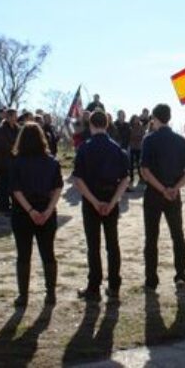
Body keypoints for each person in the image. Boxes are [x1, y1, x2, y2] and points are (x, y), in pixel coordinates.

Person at [72, 110, 130, 301]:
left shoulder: (84, 148)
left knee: (93, 245)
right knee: (112, 245)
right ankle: (114, 286)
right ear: (106, 124)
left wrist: (95, 202)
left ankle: (94, 287)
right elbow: (126, 178)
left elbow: (78, 180)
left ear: (91, 125)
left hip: (91, 201)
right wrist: (112, 202)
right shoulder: (117, 149)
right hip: (110, 199)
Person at [139, 104, 185, 290]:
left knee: (151, 238)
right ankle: (180, 275)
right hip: (173, 194)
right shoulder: (181, 140)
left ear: (155, 118)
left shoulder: (149, 140)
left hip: (155, 194)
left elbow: (145, 171)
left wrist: (162, 189)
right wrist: (175, 188)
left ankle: (151, 279)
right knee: (177, 235)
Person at [10, 123, 63, 306]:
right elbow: (58, 188)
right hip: (45, 210)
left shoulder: (17, 162)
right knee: (48, 252)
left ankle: (23, 295)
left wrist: (31, 211)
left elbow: (16, 190)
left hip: (23, 212)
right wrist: (48, 210)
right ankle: (50, 293)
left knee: (23, 254)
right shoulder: (52, 162)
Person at [0, 108, 19, 214]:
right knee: (3, 186)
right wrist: (14, 148)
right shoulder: (1, 129)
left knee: (13, 184)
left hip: (14, 161)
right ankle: (3, 207)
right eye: (14, 116)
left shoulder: (17, 128)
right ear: (8, 117)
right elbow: (0, 145)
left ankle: (13, 204)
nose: (16, 118)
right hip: (3, 162)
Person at [128, 114, 145, 186]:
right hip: (132, 147)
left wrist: (137, 137)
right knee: (131, 164)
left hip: (139, 147)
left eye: (137, 118)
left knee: (139, 163)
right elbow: (130, 136)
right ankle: (131, 178)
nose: (137, 120)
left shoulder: (141, 127)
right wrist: (136, 137)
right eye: (135, 118)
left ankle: (141, 178)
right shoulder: (130, 127)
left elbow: (142, 135)